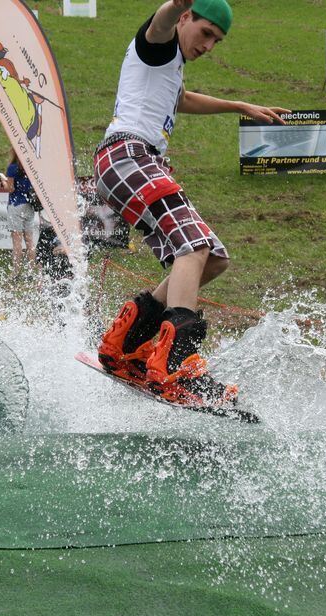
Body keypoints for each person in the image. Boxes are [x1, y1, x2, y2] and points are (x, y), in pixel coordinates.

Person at [94, 0, 289, 405]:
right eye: (205, 33)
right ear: (185, 18)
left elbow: (180, 99)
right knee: (192, 248)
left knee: (213, 258)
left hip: (131, 164)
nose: (209, 46)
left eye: (217, 41)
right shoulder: (157, 43)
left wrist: (239, 106)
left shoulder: (168, 65)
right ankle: (176, 365)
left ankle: (127, 342)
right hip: (129, 156)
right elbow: (164, 16)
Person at [0, 153, 38, 274]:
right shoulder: (32, 166)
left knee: (17, 242)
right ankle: (32, 270)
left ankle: (16, 272)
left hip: (15, 205)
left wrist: (3, 181)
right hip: (29, 205)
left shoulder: (13, 168)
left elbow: (10, 189)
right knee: (30, 241)